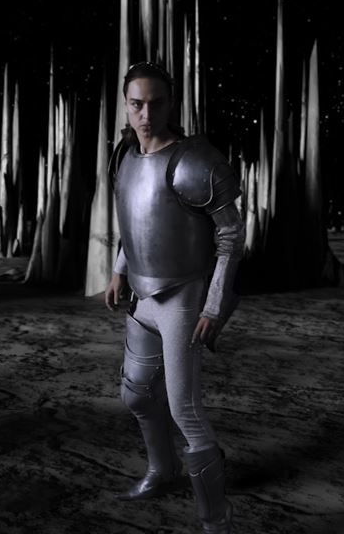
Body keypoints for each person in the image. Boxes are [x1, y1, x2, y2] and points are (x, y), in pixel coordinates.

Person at [105, 62, 244, 534]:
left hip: (182, 300)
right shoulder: (125, 156)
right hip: (141, 297)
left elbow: (230, 235)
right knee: (137, 394)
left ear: (171, 104)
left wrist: (214, 305)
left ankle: (216, 518)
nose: (146, 114)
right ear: (126, 105)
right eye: (137, 104)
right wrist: (120, 271)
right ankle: (162, 471)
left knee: (185, 410)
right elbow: (135, 221)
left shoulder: (194, 161)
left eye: (155, 103)